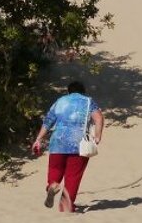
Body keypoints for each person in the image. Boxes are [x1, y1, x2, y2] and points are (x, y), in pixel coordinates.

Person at [32, 81, 104, 214]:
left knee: (55, 168)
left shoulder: (60, 101)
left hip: (57, 142)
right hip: (78, 144)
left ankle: (52, 185)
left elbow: (48, 121)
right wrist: (98, 136)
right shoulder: (88, 101)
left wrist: (39, 139)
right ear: (83, 91)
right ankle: (66, 207)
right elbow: (98, 118)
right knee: (73, 176)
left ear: (68, 91)